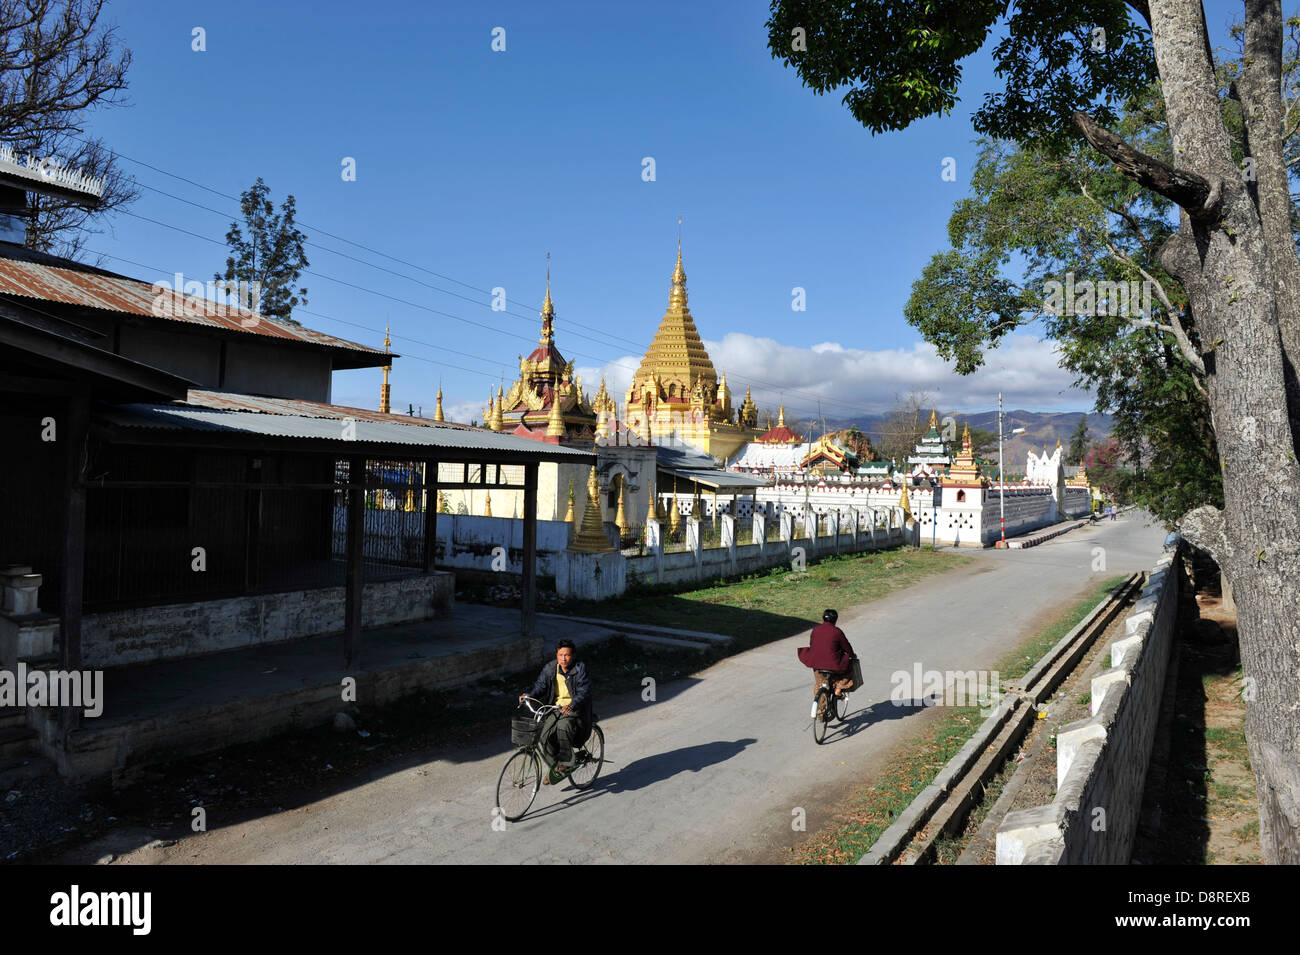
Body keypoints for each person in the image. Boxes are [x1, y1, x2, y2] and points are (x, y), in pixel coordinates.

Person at [521, 639, 593, 783]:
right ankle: (556, 766)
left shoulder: (580, 669)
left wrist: (572, 705)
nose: (563, 658)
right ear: (556, 655)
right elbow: (540, 686)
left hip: (575, 708)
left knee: (563, 727)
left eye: (566, 655)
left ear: (573, 656)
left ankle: (566, 763)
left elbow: (583, 692)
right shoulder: (551, 668)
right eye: (560, 655)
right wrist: (528, 695)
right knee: (544, 734)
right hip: (556, 707)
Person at [797, 609, 857, 720]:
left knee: (820, 684)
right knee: (849, 669)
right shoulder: (837, 632)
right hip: (833, 665)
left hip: (816, 663)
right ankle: (839, 687)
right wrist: (852, 656)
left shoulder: (815, 630)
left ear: (823, 618)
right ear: (835, 620)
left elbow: (812, 644)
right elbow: (846, 646)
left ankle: (820, 710)